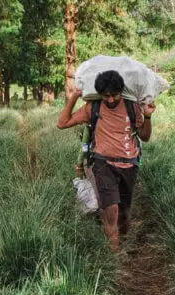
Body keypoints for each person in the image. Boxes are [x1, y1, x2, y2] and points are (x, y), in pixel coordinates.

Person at [57, 69, 155, 251]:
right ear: (99, 95)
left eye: (114, 95)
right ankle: (114, 258)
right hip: (103, 164)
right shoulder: (92, 108)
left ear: (121, 92)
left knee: (124, 214)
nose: (110, 100)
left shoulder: (131, 107)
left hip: (129, 164)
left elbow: (145, 136)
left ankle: (122, 243)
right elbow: (62, 123)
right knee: (110, 211)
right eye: (105, 96)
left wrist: (147, 116)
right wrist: (73, 97)